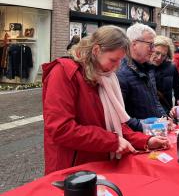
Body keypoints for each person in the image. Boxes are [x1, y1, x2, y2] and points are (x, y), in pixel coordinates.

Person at [42, 25, 169, 175]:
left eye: (119, 61)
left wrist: (145, 141)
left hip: (98, 163)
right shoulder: (63, 73)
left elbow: (113, 124)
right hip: (71, 168)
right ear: (96, 50)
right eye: (113, 60)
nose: (115, 68)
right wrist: (111, 141)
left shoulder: (102, 75)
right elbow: (61, 129)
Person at [117, 23, 167, 131]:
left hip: (153, 134)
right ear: (134, 44)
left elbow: (155, 101)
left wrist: (165, 119)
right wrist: (149, 127)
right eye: (150, 45)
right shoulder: (121, 73)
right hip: (139, 138)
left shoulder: (148, 68)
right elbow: (120, 117)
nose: (153, 50)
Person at [150, 36, 179, 115]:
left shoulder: (171, 67)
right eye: (157, 53)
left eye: (163, 55)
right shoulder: (142, 67)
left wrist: (178, 108)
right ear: (151, 49)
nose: (159, 58)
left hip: (167, 114)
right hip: (148, 117)